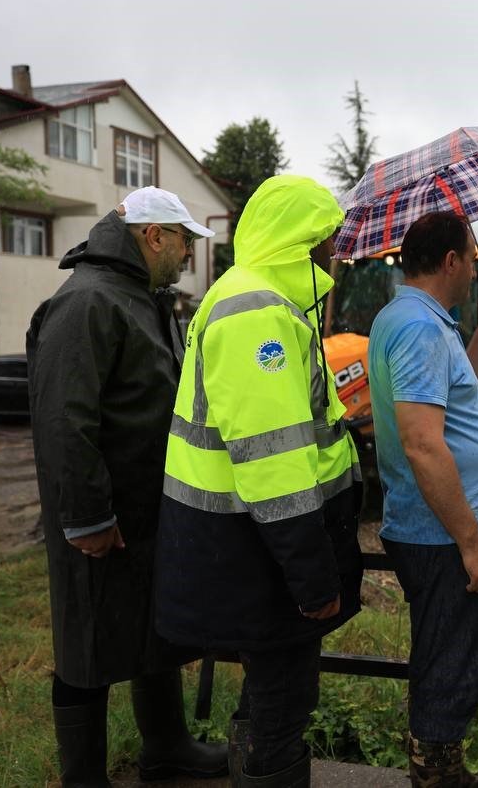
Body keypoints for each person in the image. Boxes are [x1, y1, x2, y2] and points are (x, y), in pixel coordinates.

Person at [155, 174, 363, 788]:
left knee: (273, 695)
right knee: (281, 706)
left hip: (248, 547)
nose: (336, 251)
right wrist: (313, 578)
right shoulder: (257, 315)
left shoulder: (264, 301)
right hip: (255, 552)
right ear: (304, 241)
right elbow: (272, 464)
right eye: (329, 238)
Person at [27, 187, 225, 787]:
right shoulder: (88, 302)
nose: (190, 251)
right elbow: (65, 420)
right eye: (184, 239)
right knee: (87, 645)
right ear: (153, 236)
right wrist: (87, 515)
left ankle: (166, 747)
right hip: (101, 517)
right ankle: (82, 778)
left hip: (145, 513)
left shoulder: (141, 299)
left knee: (150, 629)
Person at [368, 211, 478, 788]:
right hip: (442, 533)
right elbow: (424, 443)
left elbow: (461, 397)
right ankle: (438, 778)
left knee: (446, 652)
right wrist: (473, 543)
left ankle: (441, 770)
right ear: (451, 260)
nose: (475, 268)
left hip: (436, 528)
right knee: (449, 660)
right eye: (472, 259)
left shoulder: (417, 319)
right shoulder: (420, 328)